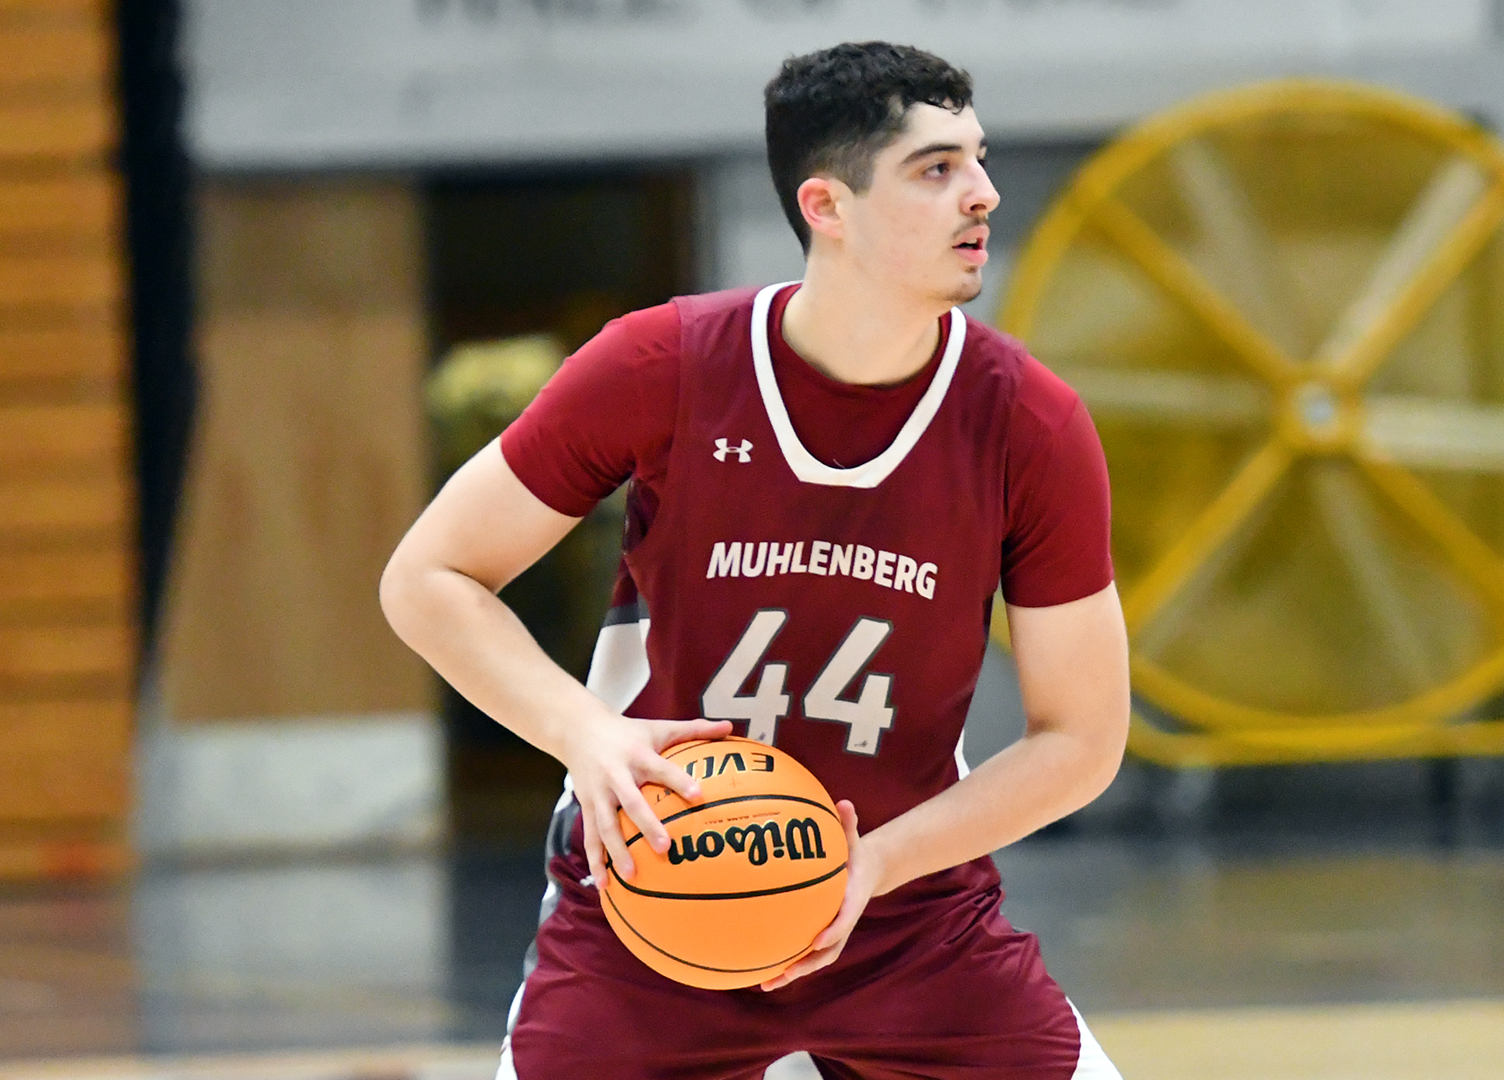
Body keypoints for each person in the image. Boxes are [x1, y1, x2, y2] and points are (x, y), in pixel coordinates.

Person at [381, 40, 1130, 1080]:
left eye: (980, 158)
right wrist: (586, 736)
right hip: (653, 888)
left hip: (907, 907)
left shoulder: (1028, 423)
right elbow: (429, 578)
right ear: (826, 206)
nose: (984, 195)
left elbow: (1082, 739)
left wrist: (873, 864)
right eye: (936, 169)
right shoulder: (663, 367)